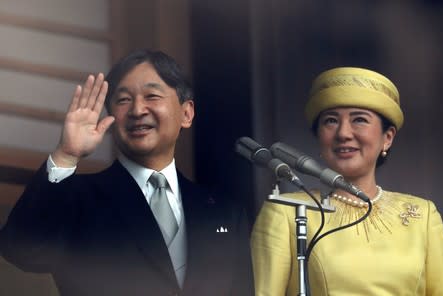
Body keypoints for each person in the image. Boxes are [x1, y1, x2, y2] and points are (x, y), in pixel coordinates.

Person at [0, 49, 254, 296]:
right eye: (123, 100)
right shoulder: (79, 197)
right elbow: (22, 252)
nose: (137, 110)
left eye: (152, 96)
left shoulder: (226, 214)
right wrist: (66, 154)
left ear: (186, 113)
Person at [251, 67, 443, 295]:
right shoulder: (287, 211)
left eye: (359, 120)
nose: (344, 133)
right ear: (319, 137)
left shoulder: (423, 216)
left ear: (387, 138)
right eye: (331, 121)